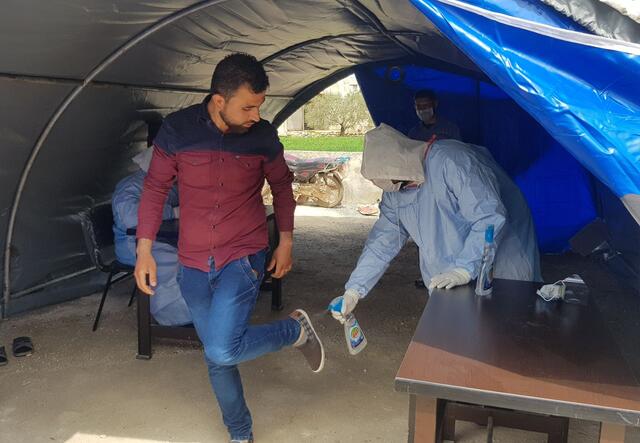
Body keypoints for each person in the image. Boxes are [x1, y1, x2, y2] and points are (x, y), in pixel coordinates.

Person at [134, 53, 324, 443]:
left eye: (260, 105)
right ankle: (241, 433)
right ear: (219, 101)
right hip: (192, 264)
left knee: (222, 349)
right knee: (218, 354)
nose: (256, 114)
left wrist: (285, 240)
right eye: (248, 106)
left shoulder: (262, 136)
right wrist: (144, 250)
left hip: (243, 256)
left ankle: (293, 331)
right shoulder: (177, 130)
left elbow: (283, 186)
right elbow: (154, 189)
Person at [331, 124, 541, 323]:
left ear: (407, 165)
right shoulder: (395, 188)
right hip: (454, 257)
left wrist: (464, 269)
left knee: (508, 315)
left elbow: (489, 217)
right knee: (452, 322)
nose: (401, 191)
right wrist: (354, 290)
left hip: (503, 244)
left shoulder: (453, 162)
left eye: (403, 184)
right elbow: (382, 242)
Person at [112, 148, 191, 326]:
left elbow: (180, 197)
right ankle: (175, 316)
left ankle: (198, 305)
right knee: (173, 262)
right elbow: (132, 217)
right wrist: (173, 212)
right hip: (131, 243)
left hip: (157, 238)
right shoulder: (130, 187)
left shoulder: (164, 184)